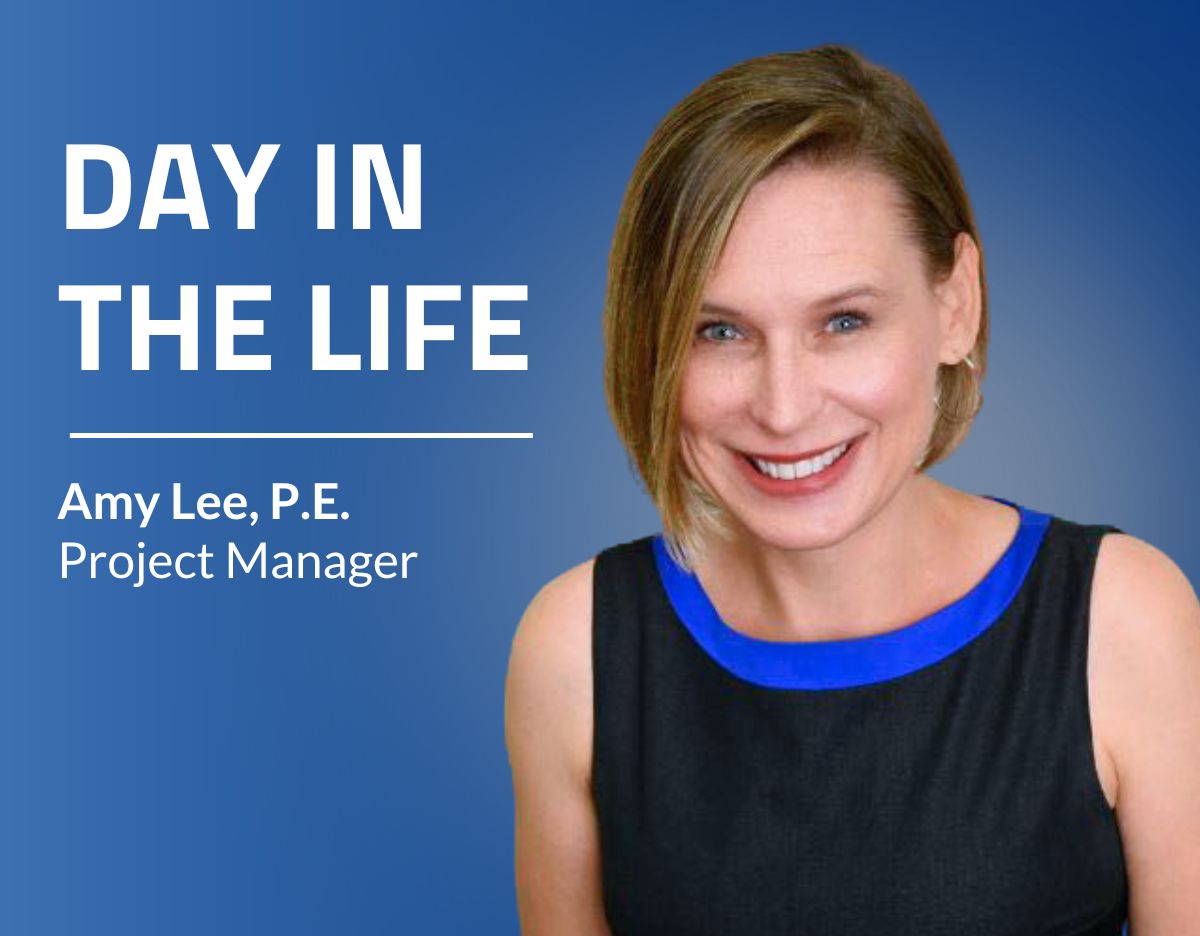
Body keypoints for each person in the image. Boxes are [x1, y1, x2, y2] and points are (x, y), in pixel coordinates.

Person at [504, 45, 1200, 935]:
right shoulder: (576, 651)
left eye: (844, 321)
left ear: (956, 305)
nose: (784, 407)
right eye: (718, 330)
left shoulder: (1122, 621)